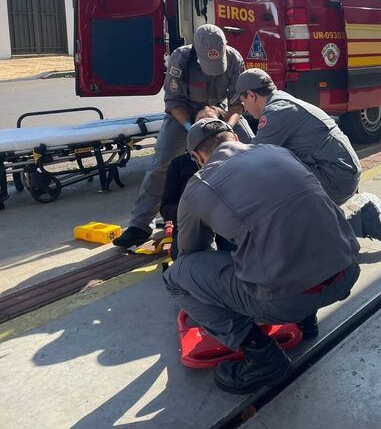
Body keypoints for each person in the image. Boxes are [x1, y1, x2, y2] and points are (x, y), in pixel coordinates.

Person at [163, 118, 360, 394]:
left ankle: (261, 357)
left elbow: (191, 253)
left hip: (288, 300)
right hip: (346, 272)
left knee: (176, 277)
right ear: (235, 137)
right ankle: (306, 321)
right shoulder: (278, 152)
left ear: (197, 157)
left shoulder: (199, 184)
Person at [114, 25, 254, 248]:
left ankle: (258, 209)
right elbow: (173, 102)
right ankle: (140, 225)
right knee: (162, 161)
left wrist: (227, 127)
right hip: (185, 115)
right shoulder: (181, 57)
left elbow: (237, 103)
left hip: (218, 112)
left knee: (252, 148)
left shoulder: (234, 59)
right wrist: (193, 130)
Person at [235, 69, 381, 253]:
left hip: (337, 176)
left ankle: (356, 227)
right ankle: (355, 223)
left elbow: (255, 158)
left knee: (277, 189)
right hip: (340, 170)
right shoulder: (283, 101)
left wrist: (231, 140)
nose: (245, 108)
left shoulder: (277, 112)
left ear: (252, 95)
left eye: (243, 102)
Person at [159, 106, 235, 260]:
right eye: (200, 121)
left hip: (226, 225)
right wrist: (193, 212)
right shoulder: (179, 164)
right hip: (192, 226)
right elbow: (166, 207)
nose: (204, 125)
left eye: (210, 121)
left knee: (233, 253)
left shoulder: (234, 161)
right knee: (183, 257)